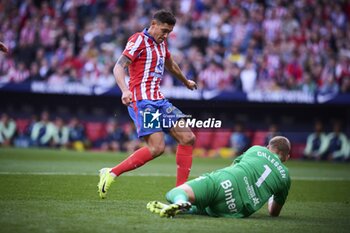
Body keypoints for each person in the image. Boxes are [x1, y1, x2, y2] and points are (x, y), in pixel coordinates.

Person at [97, 10, 197, 199]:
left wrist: (185, 81)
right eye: (164, 30)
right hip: (143, 102)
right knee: (157, 148)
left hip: (159, 100)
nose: (166, 35)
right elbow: (119, 66)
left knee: (188, 138)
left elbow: (171, 65)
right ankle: (111, 173)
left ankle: (180, 193)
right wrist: (124, 90)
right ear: (154, 24)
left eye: (169, 32)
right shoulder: (138, 40)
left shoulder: (162, 43)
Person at [147, 136, 291, 218]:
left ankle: (179, 201)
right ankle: (186, 208)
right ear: (286, 157)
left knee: (175, 192)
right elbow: (273, 212)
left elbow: (233, 165)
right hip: (236, 209)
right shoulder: (285, 177)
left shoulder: (257, 149)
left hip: (228, 180)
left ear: (268, 147)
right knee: (208, 207)